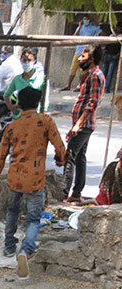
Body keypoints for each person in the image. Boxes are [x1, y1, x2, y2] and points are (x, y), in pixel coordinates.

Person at [0, 87, 64, 283]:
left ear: (19, 104)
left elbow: (0, 157)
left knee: (12, 210)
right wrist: (62, 158)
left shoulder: (12, 127)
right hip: (35, 179)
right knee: (33, 219)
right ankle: (26, 249)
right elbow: (59, 146)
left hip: (15, 177)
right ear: (37, 103)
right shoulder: (45, 121)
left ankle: (9, 245)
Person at [65, 46, 105, 204]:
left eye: (83, 56)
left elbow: (92, 104)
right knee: (80, 156)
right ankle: (76, 192)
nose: (80, 59)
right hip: (81, 124)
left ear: (92, 59)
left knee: (69, 155)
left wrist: (78, 125)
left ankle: (64, 190)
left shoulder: (95, 75)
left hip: (84, 125)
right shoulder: (88, 75)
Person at [2, 48, 45, 123]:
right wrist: (11, 107)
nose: (26, 63)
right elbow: (7, 95)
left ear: (34, 61)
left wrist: (43, 114)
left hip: (35, 117)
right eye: (24, 60)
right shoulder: (17, 79)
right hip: (19, 117)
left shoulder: (41, 78)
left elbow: (45, 99)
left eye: (29, 60)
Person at [64, 15, 101, 91]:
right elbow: (75, 36)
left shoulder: (93, 28)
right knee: (73, 68)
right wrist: (80, 27)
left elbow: (101, 32)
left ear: (89, 20)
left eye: (87, 19)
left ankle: (79, 85)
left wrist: (95, 41)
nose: (85, 21)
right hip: (78, 50)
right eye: (84, 19)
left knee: (83, 69)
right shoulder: (80, 28)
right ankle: (68, 85)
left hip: (86, 51)